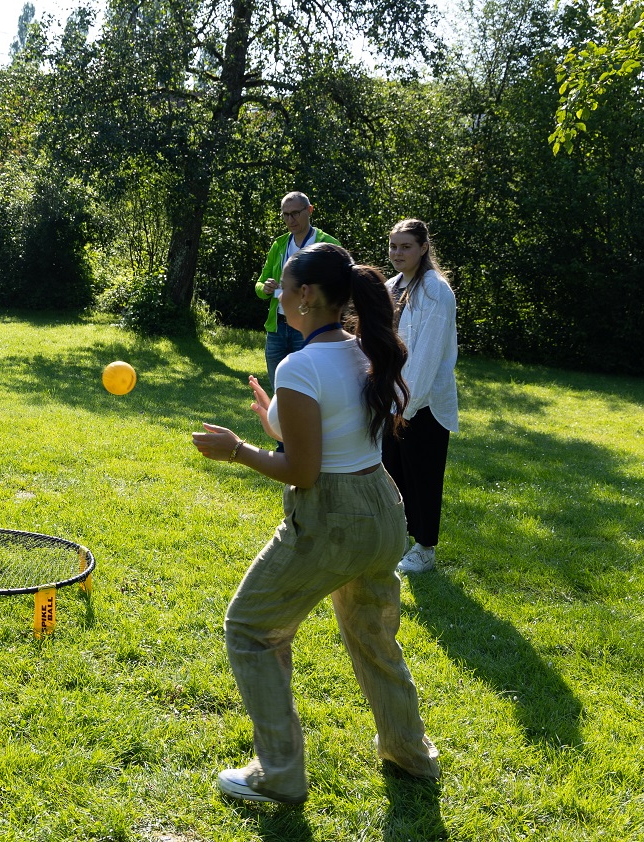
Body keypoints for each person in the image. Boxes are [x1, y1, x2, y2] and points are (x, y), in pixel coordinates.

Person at [193, 243, 440, 804]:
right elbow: (334, 434)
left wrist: (238, 449)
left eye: (284, 285)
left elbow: (303, 472)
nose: (278, 294)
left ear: (306, 294)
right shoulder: (362, 350)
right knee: (374, 639)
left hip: (331, 519)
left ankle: (279, 773)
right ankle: (411, 755)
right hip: (382, 511)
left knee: (250, 628)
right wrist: (278, 418)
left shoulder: (299, 365)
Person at [383, 219, 459, 574]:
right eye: (393, 246)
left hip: (423, 404)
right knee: (392, 474)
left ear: (424, 247)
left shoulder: (436, 291)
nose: (398, 253)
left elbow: (428, 357)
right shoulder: (390, 287)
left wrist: (407, 408)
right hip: (389, 401)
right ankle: (396, 540)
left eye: (406, 246)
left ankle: (424, 548)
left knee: (422, 476)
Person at [255, 192, 341, 387]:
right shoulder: (279, 244)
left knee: (307, 386)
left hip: (309, 327)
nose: (290, 220)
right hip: (278, 327)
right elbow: (259, 286)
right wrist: (266, 287)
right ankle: (278, 419)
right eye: (285, 215)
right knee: (278, 386)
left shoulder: (329, 244)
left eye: (295, 213)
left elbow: (339, 289)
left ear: (309, 210)